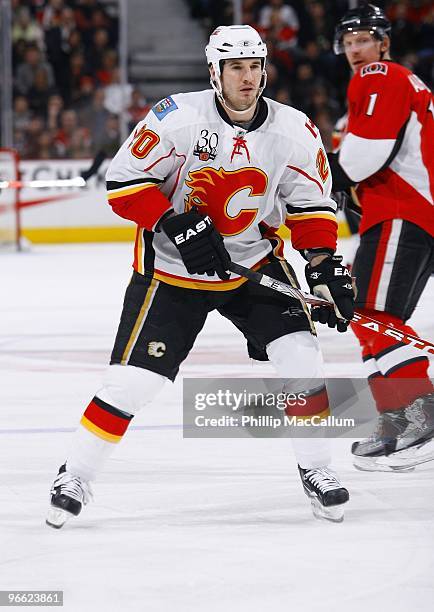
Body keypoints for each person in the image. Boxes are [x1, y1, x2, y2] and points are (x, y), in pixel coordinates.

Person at [46, 25, 355, 529]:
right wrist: (173, 222)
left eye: (255, 66)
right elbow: (124, 183)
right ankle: (75, 474)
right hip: (171, 271)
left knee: (302, 358)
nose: (248, 77)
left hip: (253, 264)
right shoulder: (176, 118)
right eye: (236, 67)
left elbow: (311, 205)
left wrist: (322, 266)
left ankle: (317, 469)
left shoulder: (294, 128)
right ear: (214, 71)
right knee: (132, 384)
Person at [328, 4, 434, 472]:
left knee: (370, 313)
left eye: (363, 40)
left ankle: (422, 414)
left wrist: (324, 173)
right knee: (370, 318)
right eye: (349, 43)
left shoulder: (380, 75)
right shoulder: (402, 82)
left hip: (401, 212)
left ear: (383, 43)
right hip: (400, 213)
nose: (356, 51)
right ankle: (396, 420)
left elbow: (362, 156)